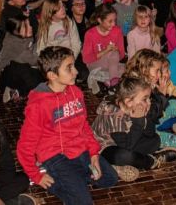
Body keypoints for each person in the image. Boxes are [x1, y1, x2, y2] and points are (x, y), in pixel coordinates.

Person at [16, 46, 119, 205]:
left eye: (74, 66)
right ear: (52, 75)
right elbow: (25, 144)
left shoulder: (76, 92)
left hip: (79, 149)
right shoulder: (39, 105)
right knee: (84, 202)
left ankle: (75, 180)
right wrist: (36, 175)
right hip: (55, 156)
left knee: (110, 178)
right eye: (69, 68)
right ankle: (55, 177)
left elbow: (83, 126)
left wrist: (93, 154)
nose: (76, 72)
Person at [0, 15, 43, 100]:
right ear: (15, 31)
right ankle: (38, 92)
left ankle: (18, 92)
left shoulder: (22, 36)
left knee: (30, 71)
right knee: (22, 67)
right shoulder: (15, 46)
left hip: (18, 77)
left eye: (29, 24)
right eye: (25, 26)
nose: (30, 27)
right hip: (4, 77)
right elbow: (35, 60)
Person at [82, 4, 125, 91]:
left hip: (111, 63)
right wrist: (106, 51)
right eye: (110, 21)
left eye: (114, 21)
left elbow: (122, 55)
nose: (113, 24)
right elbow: (86, 59)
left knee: (126, 69)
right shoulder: (90, 34)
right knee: (113, 55)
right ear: (99, 20)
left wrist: (117, 50)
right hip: (95, 64)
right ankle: (114, 84)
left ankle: (107, 81)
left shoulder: (117, 31)